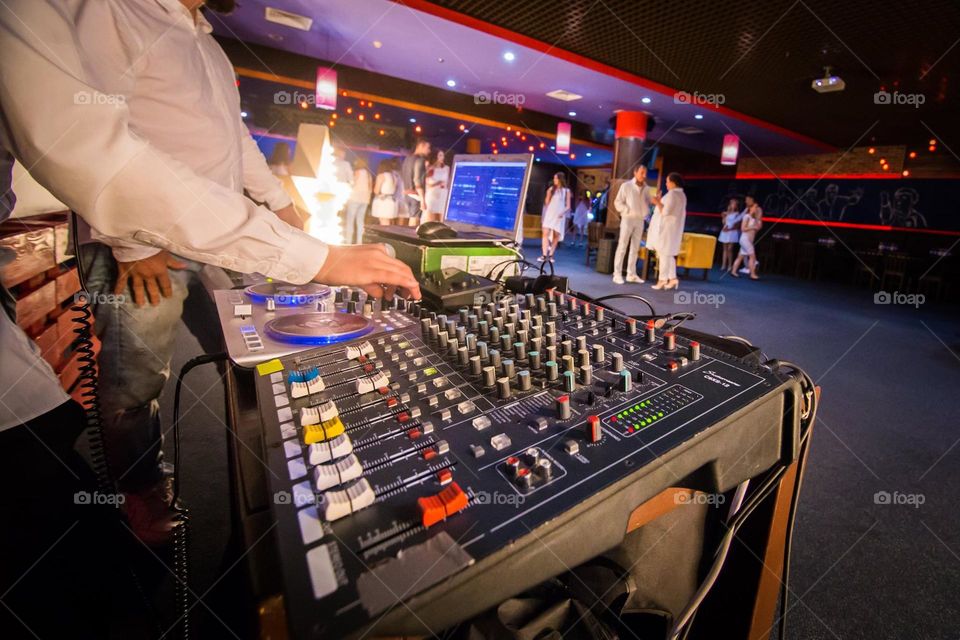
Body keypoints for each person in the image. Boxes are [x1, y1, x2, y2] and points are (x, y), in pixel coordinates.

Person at [0, 1, 420, 635]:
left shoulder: (208, 43)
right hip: (146, 244)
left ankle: (254, 497)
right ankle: (142, 494)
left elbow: (237, 145)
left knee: (241, 358)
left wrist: (286, 208)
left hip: (212, 236)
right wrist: (138, 248)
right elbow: (92, 144)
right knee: (133, 384)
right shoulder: (113, 11)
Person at [612, 166, 651, 284]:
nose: (644, 175)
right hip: (627, 219)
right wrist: (626, 211)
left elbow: (648, 203)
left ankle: (631, 274)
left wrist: (646, 213)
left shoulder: (647, 188)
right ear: (635, 172)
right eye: (642, 172)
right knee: (622, 246)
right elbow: (617, 201)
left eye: (645, 173)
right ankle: (617, 274)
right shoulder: (626, 186)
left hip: (640, 220)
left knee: (635, 248)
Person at [650, 172, 687, 290]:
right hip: (673, 228)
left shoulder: (672, 195)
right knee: (668, 254)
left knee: (664, 253)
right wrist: (660, 202)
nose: (666, 184)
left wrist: (657, 202)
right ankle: (673, 278)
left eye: (667, 181)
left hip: (667, 228)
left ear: (672, 182)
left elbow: (666, 211)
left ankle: (662, 279)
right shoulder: (681, 195)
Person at [730, 195, 763, 280]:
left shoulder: (754, 219)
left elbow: (758, 227)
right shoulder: (747, 216)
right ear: (751, 209)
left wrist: (757, 222)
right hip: (745, 239)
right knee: (752, 256)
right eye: (754, 208)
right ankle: (752, 274)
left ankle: (733, 271)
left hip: (749, 239)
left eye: (756, 208)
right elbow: (743, 228)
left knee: (740, 256)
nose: (756, 209)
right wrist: (752, 227)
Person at [541, 172, 571, 262]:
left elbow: (568, 205)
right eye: (554, 178)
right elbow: (547, 203)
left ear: (560, 179)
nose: (554, 180)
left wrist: (562, 212)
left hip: (559, 215)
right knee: (545, 233)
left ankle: (551, 255)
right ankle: (544, 255)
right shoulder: (551, 189)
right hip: (550, 213)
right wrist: (547, 194)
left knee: (556, 235)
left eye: (556, 178)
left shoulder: (566, 191)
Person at [401, 138, 431, 227]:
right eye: (427, 148)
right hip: (416, 194)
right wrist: (422, 200)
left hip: (406, 193)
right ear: (421, 146)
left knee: (412, 218)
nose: (429, 151)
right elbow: (417, 180)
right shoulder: (420, 160)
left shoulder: (407, 159)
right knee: (415, 221)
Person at [344, 158, 372, 244]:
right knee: (360, 221)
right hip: (365, 200)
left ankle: (348, 242)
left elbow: (352, 183)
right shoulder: (368, 174)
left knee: (350, 221)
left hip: (355, 198)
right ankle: (359, 242)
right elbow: (370, 188)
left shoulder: (358, 172)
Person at [424, 148, 450, 222]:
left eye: (443, 155)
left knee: (441, 219)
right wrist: (437, 183)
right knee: (430, 219)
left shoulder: (446, 168)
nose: (442, 157)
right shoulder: (430, 168)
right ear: (435, 156)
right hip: (432, 195)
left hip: (443, 194)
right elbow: (425, 183)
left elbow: (448, 181)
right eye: (440, 155)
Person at [718, 197, 744, 272]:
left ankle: (730, 265)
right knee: (725, 249)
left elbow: (737, 225)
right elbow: (724, 222)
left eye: (734, 204)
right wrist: (724, 217)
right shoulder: (726, 213)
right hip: (725, 231)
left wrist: (730, 229)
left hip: (732, 232)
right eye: (731, 203)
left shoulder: (737, 214)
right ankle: (723, 265)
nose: (732, 205)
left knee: (730, 249)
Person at [372, 158, 400, 225]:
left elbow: (376, 191)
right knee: (389, 222)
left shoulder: (381, 176)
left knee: (384, 223)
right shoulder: (394, 176)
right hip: (392, 201)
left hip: (383, 201)